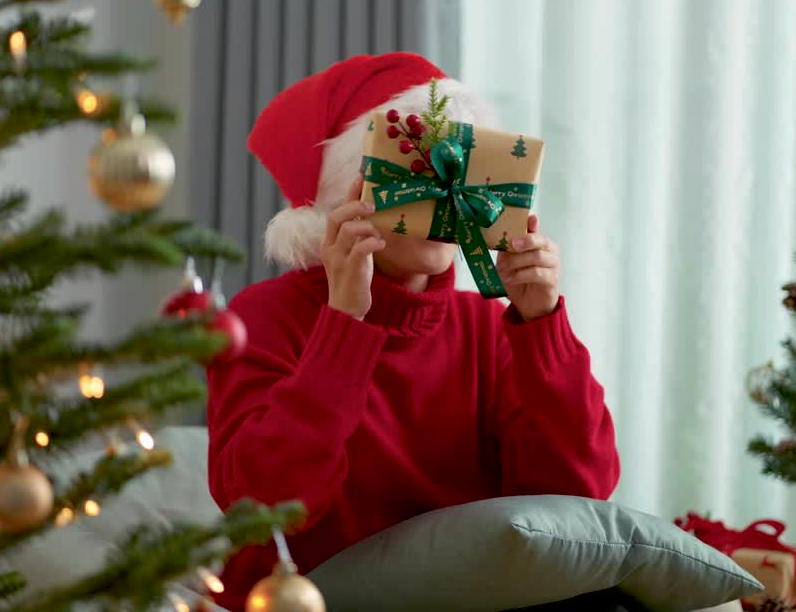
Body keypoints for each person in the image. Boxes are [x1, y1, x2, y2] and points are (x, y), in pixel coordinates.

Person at [207, 52, 620, 610]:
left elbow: (578, 499)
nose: (446, 190)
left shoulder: (491, 328)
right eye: (418, 169)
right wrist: (344, 322)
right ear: (345, 195)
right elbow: (263, 503)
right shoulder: (263, 317)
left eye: (462, 168)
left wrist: (542, 328)